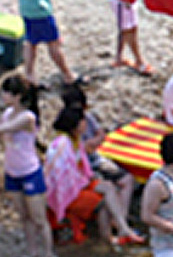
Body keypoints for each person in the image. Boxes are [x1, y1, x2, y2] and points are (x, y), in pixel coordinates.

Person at [45, 104, 144, 246]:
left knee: (109, 187)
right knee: (103, 202)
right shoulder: (61, 145)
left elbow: (82, 167)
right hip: (67, 192)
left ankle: (122, 229)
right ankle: (109, 238)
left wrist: (88, 178)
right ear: (75, 125)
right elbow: (60, 176)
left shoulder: (75, 140)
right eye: (83, 121)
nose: (86, 124)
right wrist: (83, 182)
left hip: (78, 184)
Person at [1, 74, 52, 257]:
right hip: (11, 172)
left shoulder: (28, 117)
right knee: (25, 218)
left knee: (39, 219)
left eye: (6, 93)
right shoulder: (6, 114)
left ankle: (48, 255)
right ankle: (33, 254)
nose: (3, 96)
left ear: (18, 96)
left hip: (30, 172)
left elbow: (6, 129)